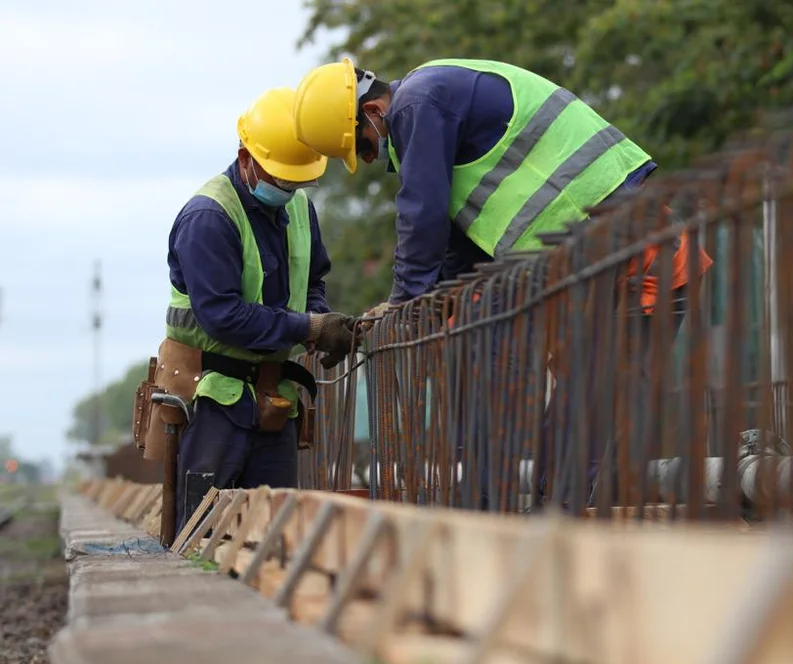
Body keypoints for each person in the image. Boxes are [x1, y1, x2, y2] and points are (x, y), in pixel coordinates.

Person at [290, 59, 712, 508]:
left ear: (374, 111)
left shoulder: (418, 101)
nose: (370, 159)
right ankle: (516, 515)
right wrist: (410, 309)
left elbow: (422, 214)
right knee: (572, 412)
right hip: (595, 267)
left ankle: (525, 519)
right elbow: (456, 249)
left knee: (580, 408)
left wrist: (404, 301)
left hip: (640, 262)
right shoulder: (440, 110)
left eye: (363, 146)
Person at [139, 87, 360, 538]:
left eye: (298, 181)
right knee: (202, 533)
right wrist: (308, 326)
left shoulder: (300, 208)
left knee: (273, 533)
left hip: (272, 396)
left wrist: (318, 320)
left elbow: (312, 281)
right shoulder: (209, 217)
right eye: (281, 178)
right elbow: (223, 316)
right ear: (246, 158)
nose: (289, 188)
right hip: (210, 397)